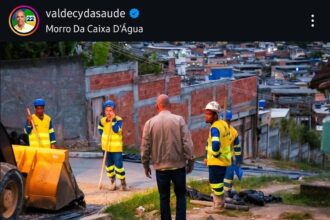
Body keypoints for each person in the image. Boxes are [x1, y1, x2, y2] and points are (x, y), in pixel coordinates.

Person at [141, 94, 194, 220]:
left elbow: (145, 147)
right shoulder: (179, 120)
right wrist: (190, 161)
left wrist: (145, 164)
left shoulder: (149, 123)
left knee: (164, 197)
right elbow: (187, 143)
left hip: (161, 169)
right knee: (181, 195)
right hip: (178, 167)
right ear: (170, 105)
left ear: (156, 106)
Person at [204, 101, 232, 211]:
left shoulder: (215, 128)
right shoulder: (224, 124)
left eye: (209, 114)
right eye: (206, 113)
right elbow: (227, 140)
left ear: (215, 115)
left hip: (217, 161)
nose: (206, 116)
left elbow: (215, 144)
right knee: (219, 182)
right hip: (224, 160)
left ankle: (219, 205)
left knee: (215, 183)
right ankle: (219, 202)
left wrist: (215, 154)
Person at [98, 100, 127, 191]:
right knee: (109, 166)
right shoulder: (102, 121)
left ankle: (123, 183)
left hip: (116, 148)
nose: (108, 113)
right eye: (107, 110)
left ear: (114, 111)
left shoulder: (119, 120)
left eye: (110, 110)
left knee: (118, 166)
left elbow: (115, 130)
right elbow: (100, 130)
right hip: (106, 148)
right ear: (104, 111)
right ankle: (112, 182)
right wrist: (104, 135)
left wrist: (113, 120)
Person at [221, 110, 242, 197]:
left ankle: (227, 192)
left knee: (229, 175)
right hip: (218, 157)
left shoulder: (233, 132)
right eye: (225, 121)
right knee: (218, 175)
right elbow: (209, 144)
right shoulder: (217, 130)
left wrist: (238, 160)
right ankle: (218, 193)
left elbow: (237, 147)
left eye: (228, 121)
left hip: (229, 158)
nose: (226, 122)